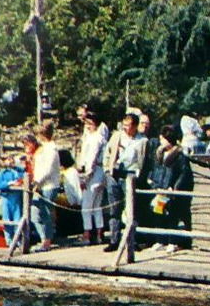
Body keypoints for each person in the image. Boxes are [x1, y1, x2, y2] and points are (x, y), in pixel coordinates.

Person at [102, 111, 146, 252]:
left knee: (131, 209)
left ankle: (132, 240)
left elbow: (143, 160)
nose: (126, 128)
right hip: (115, 174)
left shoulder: (142, 140)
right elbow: (107, 152)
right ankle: (114, 239)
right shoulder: (117, 136)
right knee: (114, 208)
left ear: (135, 126)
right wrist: (107, 169)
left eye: (129, 125)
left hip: (131, 175)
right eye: (124, 125)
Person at [151, 124, 195, 251]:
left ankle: (173, 241)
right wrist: (155, 184)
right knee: (158, 214)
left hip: (172, 191)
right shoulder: (160, 153)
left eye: (163, 138)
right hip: (161, 189)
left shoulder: (180, 156)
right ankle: (160, 240)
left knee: (172, 215)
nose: (161, 140)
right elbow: (157, 171)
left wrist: (175, 188)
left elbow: (183, 174)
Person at [25, 123, 63, 251]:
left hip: (49, 185)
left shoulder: (51, 150)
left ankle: (47, 241)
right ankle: (43, 237)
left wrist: (36, 182)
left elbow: (48, 170)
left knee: (46, 213)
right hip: (40, 186)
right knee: (35, 212)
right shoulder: (42, 149)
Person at [76, 104, 109, 245]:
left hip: (94, 173)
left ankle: (87, 234)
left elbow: (92, 160)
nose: (87, 126)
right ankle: (99, 233)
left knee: (86, 206)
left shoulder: (96, 138)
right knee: (96, 206)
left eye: (90, 123)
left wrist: (85, 178)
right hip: (100, 173)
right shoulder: (94, 137)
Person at [0, 151, 29, 249]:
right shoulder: (2, 174)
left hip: (17, 198)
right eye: (8, 159)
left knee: (18, 218)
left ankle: (18, 239)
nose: (11, 160)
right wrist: (10, 183)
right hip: (6, 198)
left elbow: (24, 178)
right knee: (7, 219)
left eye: (12, 158)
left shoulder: (19, 171)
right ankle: (9, 240)